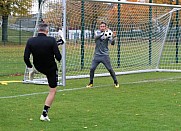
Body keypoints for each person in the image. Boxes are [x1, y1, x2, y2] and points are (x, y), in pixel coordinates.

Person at [24, 23, 63, 121]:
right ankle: (44, 114)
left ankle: (33, 71)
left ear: (38, 30)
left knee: (37, 67)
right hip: (50, 68)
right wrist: (56, 48)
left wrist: (29, 66)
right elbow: (58, 57)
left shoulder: (31, 41)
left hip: (38, 67)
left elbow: (26, 57)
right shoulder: (51, 40)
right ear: (47, 31)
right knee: (52, 90)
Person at [86, 21, 119, 88]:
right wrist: (104, 34)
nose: (102, 27)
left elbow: (112, 43)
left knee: (109, 69)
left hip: (105, 55)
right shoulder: (97, 32)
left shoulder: (108, 33)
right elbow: (96, 37)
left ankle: (116, 82)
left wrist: (113, 38)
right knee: (92, 68)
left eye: (104, 26)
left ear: (105, 27)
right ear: (99, 27)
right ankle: (91, 83)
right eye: (101, 26)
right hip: (97, 55)